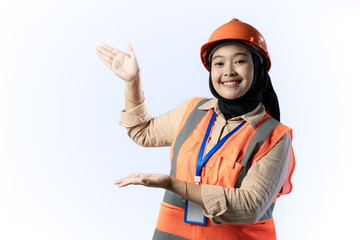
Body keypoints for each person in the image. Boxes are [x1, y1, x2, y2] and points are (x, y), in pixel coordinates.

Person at [96, 18, 295, 240]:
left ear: (258, 68)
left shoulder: (274, 136)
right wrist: (133, 82)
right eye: (219, 63)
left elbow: (250, 206)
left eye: (239, 61)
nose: (228, 71)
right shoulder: (193, 111)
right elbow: (142, 132)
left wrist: (172, 184)